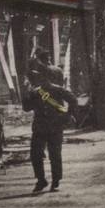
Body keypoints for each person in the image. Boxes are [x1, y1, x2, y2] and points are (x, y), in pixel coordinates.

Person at [23, 65, 77, 194]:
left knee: (55, 155)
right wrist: (26, 93)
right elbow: (26, 108)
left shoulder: (57, 90)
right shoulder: (34, 92)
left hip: (55, 126)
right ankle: (41, 180)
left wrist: (67, 116)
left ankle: (55, 181)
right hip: (40, 127)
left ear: (48, 78)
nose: (40, 80)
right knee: (35, 155)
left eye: (42, 77)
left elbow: (73, 100)